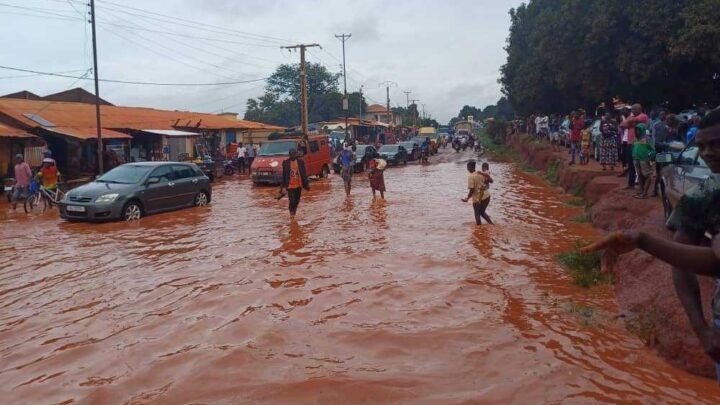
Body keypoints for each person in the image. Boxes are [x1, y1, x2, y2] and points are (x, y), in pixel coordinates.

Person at [581, 110, 720, 383]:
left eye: (716, 144)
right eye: (701, 146)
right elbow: (686, 263)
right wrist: (701, 330)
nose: (707, 153)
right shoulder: (704, 195)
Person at [619, 103, 649, 189]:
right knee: (631, 163)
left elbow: (628, 123)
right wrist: (631, 123)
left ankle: (643, 185)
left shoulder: (643, 116)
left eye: (634, 109)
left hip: (639, 143)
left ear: (639, 109)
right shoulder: (631, 117)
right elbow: (622, 125)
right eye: (632, 109)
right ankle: (631, 183)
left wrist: (630, 123)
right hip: (629, 143)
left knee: (641, 164)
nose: (632, 111)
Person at [280, 149, 310, 219]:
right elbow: (284, 175)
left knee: (297, 200)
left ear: (296, 155)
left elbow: (304, 174)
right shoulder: (286, 163)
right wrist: (283, 187)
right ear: (289, 155)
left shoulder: (300, 162)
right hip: (290, 186)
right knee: (292, 200)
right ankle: (291, 214)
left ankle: (294, 213)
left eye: (294, 155)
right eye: (291, 155)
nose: (292, 156)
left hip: (298, 185)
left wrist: (307, 184)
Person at [461, 160, 492, 225]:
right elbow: (488, 181)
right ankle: (491, 225)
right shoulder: (480, 173)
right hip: (487, 196)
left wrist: (467, 198)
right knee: (482, 212)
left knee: (477, 214)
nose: (467, 168)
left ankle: (478, 230)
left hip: (478, 199)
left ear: (469, 167)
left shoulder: (471, 176)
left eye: (467, 167)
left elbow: (472, 190)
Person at [631, 123, 655, 199]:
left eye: (639, 130)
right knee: (639, 175)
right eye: (636, 130)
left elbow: (653, 150)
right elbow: (633, 147)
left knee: (648, 175)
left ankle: (645, 193)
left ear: (642, 130)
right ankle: (642, 191)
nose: (637, 131)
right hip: (636, 159)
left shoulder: (647, 139)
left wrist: (649, 157)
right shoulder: (635, 139)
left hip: (644, 160)